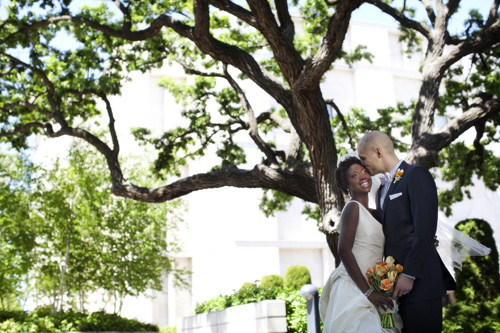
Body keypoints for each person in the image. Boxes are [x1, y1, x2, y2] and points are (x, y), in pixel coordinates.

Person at [357, 131, 456, 333]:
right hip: (397, 288)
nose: (363, 164)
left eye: (363, 158)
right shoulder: (383, 189)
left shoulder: (415, 174)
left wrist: (409, 273)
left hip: (421, 284)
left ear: (378, 152)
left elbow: (425, 229)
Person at [319, 155, 403, 332]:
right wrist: (368, 293)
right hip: (354, 286)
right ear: (346, 185)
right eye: (354, 175)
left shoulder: (376, 213)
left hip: (375, 284)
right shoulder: (352, 208)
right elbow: (344, 250)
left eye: (364, 171)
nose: (362, 176)